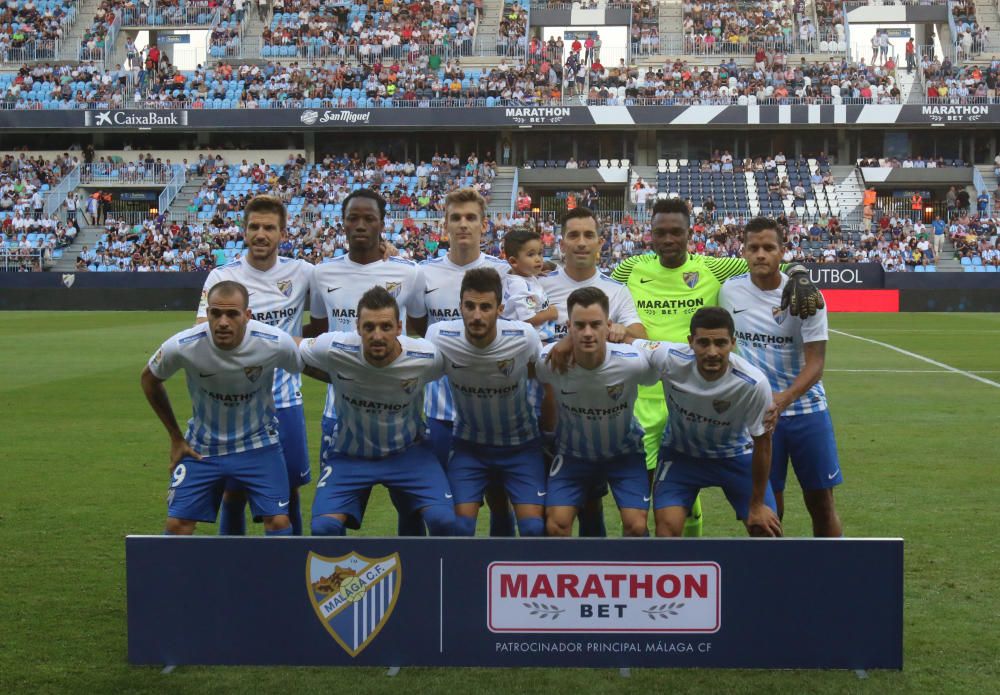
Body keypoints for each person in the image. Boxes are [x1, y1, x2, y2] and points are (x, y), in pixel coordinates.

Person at [612, 198, 823, 537]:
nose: (668, 239)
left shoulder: (714, 267)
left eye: (676, 232)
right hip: (646, 395)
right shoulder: (630, 268)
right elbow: (600, 291)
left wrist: (798, 271)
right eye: (660, 232)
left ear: (690, 234)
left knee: (688, 496)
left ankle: (691, 559)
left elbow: (764, 262)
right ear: (648, 234)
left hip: (704, 391)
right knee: (647, 500)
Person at [307, 188, 428, 535]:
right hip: (341, 416)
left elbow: (417, 329)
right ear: (342, 224)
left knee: (412, 511)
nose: (360, 224)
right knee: (331, 520)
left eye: (369, 218)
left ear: (382, 223)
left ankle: (416, 580)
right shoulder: (322, 274)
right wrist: (341, 376)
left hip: (400, 413)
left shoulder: (410, 274)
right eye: (353, 218)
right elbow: (318, 337)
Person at [141, 280, 302, 536]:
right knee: (176, 526)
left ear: (247, 316)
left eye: (232, 314)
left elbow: (307, 364)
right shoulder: (184, 345)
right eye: (216, 313)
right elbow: (149, 378)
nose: (223, 321)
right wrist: (175, 436)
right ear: (207, 314)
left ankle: (277, 577)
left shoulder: (274, 342)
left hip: (259, 446)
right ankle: (179, 577)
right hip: (202, 448)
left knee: (279, 523)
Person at [196, 195, 314, 536]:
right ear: (244, 232)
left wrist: (389, 253)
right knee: (235, 492)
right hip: (236, 404)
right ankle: (229, 574)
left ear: (282, 232)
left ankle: (291, 570)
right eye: (254, 227)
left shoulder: (302, 272)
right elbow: (202, 330)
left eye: (269, 227)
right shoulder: (223, 276)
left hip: (285, 401)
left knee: (289, 491)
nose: (261, 234)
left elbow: (330, 309)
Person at [719, 217, 843, 536]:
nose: (761, 254)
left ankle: (832, 576)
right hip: (757, 415)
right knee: (767, 509)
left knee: (821, 503)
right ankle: (774, 580)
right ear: (743, 252)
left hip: (806, 413)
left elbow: (816, 364)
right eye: (754, 248)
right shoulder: (728, 292)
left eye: (769, 247)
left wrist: (783, 399)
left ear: (782, 251)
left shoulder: (806, 295)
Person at [300, 286, 455, 537]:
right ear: (357, 327)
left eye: (385, 327)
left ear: (399, 327)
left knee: (444, 521)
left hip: (410, 453)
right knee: (323, 527)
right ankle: (337, 576)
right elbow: (291, 348)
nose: (377, 335)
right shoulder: (335, 346)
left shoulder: (427, 356)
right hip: (351, 455)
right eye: (369, 327)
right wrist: (332, 376)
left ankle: (421, 572)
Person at [539, 206, 647, 537]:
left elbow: (641, 338)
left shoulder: (616, 291)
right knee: (564, 511)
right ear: (561, 242)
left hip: (606, 409)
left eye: (589, 236)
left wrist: (620, 332)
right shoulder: (540, 287)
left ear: (601, 242)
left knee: (594, 504)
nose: (581, 243)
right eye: (574, 235)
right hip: (555, 416)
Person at [633, 307, 781, 538]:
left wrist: (757, 504)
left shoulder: (753, 382)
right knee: (666, 532)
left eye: (721, 343)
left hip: (735, 457)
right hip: (681, 455)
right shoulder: (669, 357)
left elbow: (763, 443)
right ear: (690, 341)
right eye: (703, 343)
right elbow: (631, 343)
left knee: (765, 530)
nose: (712, 352)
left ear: (732, 343)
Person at [418, 188, 515, 536]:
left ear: (484, 225)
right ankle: (449, 580)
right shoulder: (423, 275)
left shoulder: (505, 273)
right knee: (447, 508)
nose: (463, 225)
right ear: (444, 225)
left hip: (494, 411)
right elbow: (418, 331)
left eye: (471, 218)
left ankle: (500, 583)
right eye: (455, 218)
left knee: (500, 499)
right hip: (442, 413)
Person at [426, 267, 546, 537]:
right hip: (470, 446)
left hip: (521, 445)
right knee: (458, 527)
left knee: (533, 528)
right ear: (460, 306)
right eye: (470, 306)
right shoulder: (439, 336)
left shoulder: (523, 337)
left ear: (500, 309)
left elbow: (543, 373)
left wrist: (548, 430)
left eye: (485, 307)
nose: (477, 315)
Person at [536, 287, 657, 537]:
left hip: (624, 454)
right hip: (573, 455)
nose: (588, 333)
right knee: (556, 525)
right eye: (579, 326)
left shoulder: (633, 361)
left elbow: (666, 369)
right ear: (568, 326)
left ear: (609, 325)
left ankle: (631, 575)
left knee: (636, 526)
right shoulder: (549, 361)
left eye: (595, 324)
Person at [501, 228, 558, 342]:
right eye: (531, 254)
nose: (538, 259)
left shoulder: (524, 276)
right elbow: (528, 319)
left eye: (540, 253)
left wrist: (534, 274)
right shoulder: (519, 286)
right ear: (513, 262)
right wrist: (550, 313)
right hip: (533, 341)